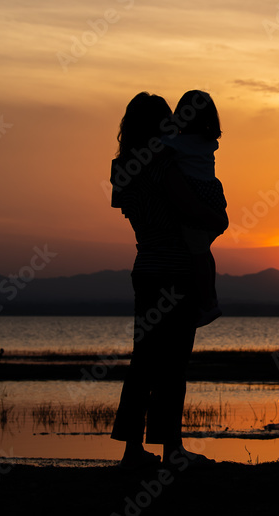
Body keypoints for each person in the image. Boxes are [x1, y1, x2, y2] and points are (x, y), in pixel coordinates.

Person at [109, 92, 228, 471]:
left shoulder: (122, 168)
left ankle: (131, 451)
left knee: (142, 362)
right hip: (176, 270)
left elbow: (127, 207)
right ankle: (171, 450)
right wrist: (218, 218)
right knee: (173, 366)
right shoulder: (164, 166)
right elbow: (193, 210)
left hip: (145, 267)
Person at [161, 90, 227, 327]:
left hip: (197, 200)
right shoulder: (209, 142)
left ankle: (208, 303)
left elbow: (159, 144)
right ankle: (211, 297)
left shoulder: (176, 143)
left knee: (198, 252)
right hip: (214, 199)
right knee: (203, 250)